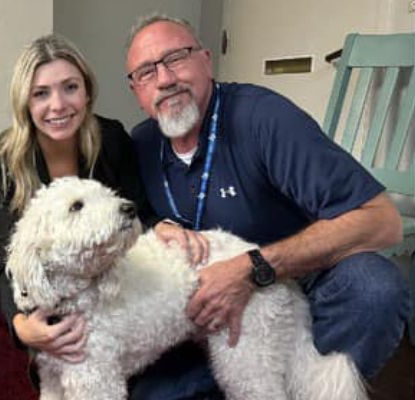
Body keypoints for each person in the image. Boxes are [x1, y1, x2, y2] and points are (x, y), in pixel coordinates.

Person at [125, 13, 410, 399]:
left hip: (294, 288)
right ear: (135, 91)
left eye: (176, 58)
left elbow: (382, 222)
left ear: (206, 60)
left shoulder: (263, 118)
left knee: (374, 288)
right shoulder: (139, 144)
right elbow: (130, 220)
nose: (164, 79)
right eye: (146, 71)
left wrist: (253, 268)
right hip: (206, 320)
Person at [0, 34, 207, 372]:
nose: (58, 105)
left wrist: (163, 226)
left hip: (111, 286)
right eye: (41, 94)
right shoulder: (6, 162)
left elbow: (139, 212)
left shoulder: (112, 138)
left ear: (87, 91)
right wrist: (21, 327)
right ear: (25, 103)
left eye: (70, 87)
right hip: (54, 295)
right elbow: (7, 258)